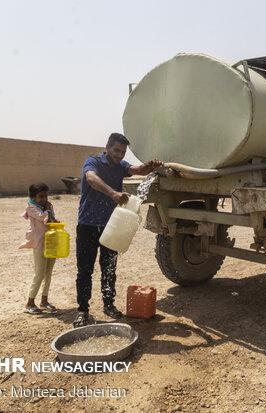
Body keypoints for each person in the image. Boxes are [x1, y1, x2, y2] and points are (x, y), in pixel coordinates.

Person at [73, 132, 162, 327]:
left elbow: (136, 169)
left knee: (109, 269)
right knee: (85, 270)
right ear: (107, 147)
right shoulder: (94, 162)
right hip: (88, 225)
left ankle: (109, 304)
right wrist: (112, 193)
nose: (119, 155)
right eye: (116, 150)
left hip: (111, 226)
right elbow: (90, 178)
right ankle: (82, 310)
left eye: (122, 152)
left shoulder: (120, 165)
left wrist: (149, 166)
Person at [19, 182, 58, 314]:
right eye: (41, 196)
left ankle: (44, 300)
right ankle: (29, 303)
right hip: (39, 243)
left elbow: (52, 220)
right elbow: (44, 218)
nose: (44, 199)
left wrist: (51, 213)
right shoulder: (31, 208)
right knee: (40, 273)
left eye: (46, 196)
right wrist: (48, 210)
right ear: (33, 197)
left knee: (48, 272)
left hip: (50, 242)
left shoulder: (48, 206)